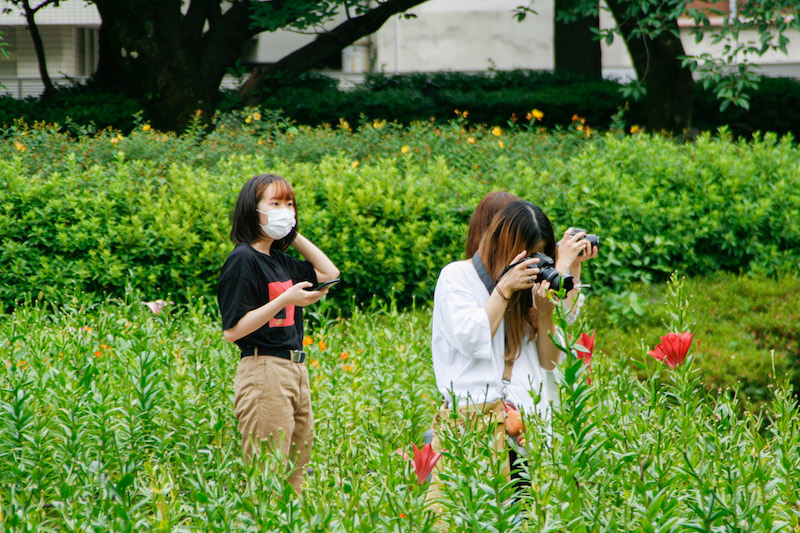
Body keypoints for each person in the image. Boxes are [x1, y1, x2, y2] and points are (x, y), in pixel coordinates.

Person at [217, 173, 339, 493]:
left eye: (290, 204)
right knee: (268, 476)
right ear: (252, 211)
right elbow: (233, 330)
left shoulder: (279, 260)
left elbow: (330, 273)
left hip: (295, 370)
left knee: (295, 478)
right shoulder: (242, 259)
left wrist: (292, 233)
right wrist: (284, 299)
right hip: (264, 370)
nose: (285, 209)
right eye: (275, 204)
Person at [465, 191, 598, 325]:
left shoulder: (526, 275)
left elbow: (565, 319)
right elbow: (560, 319)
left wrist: (574, 265)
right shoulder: (468, 278)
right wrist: (562, 264)